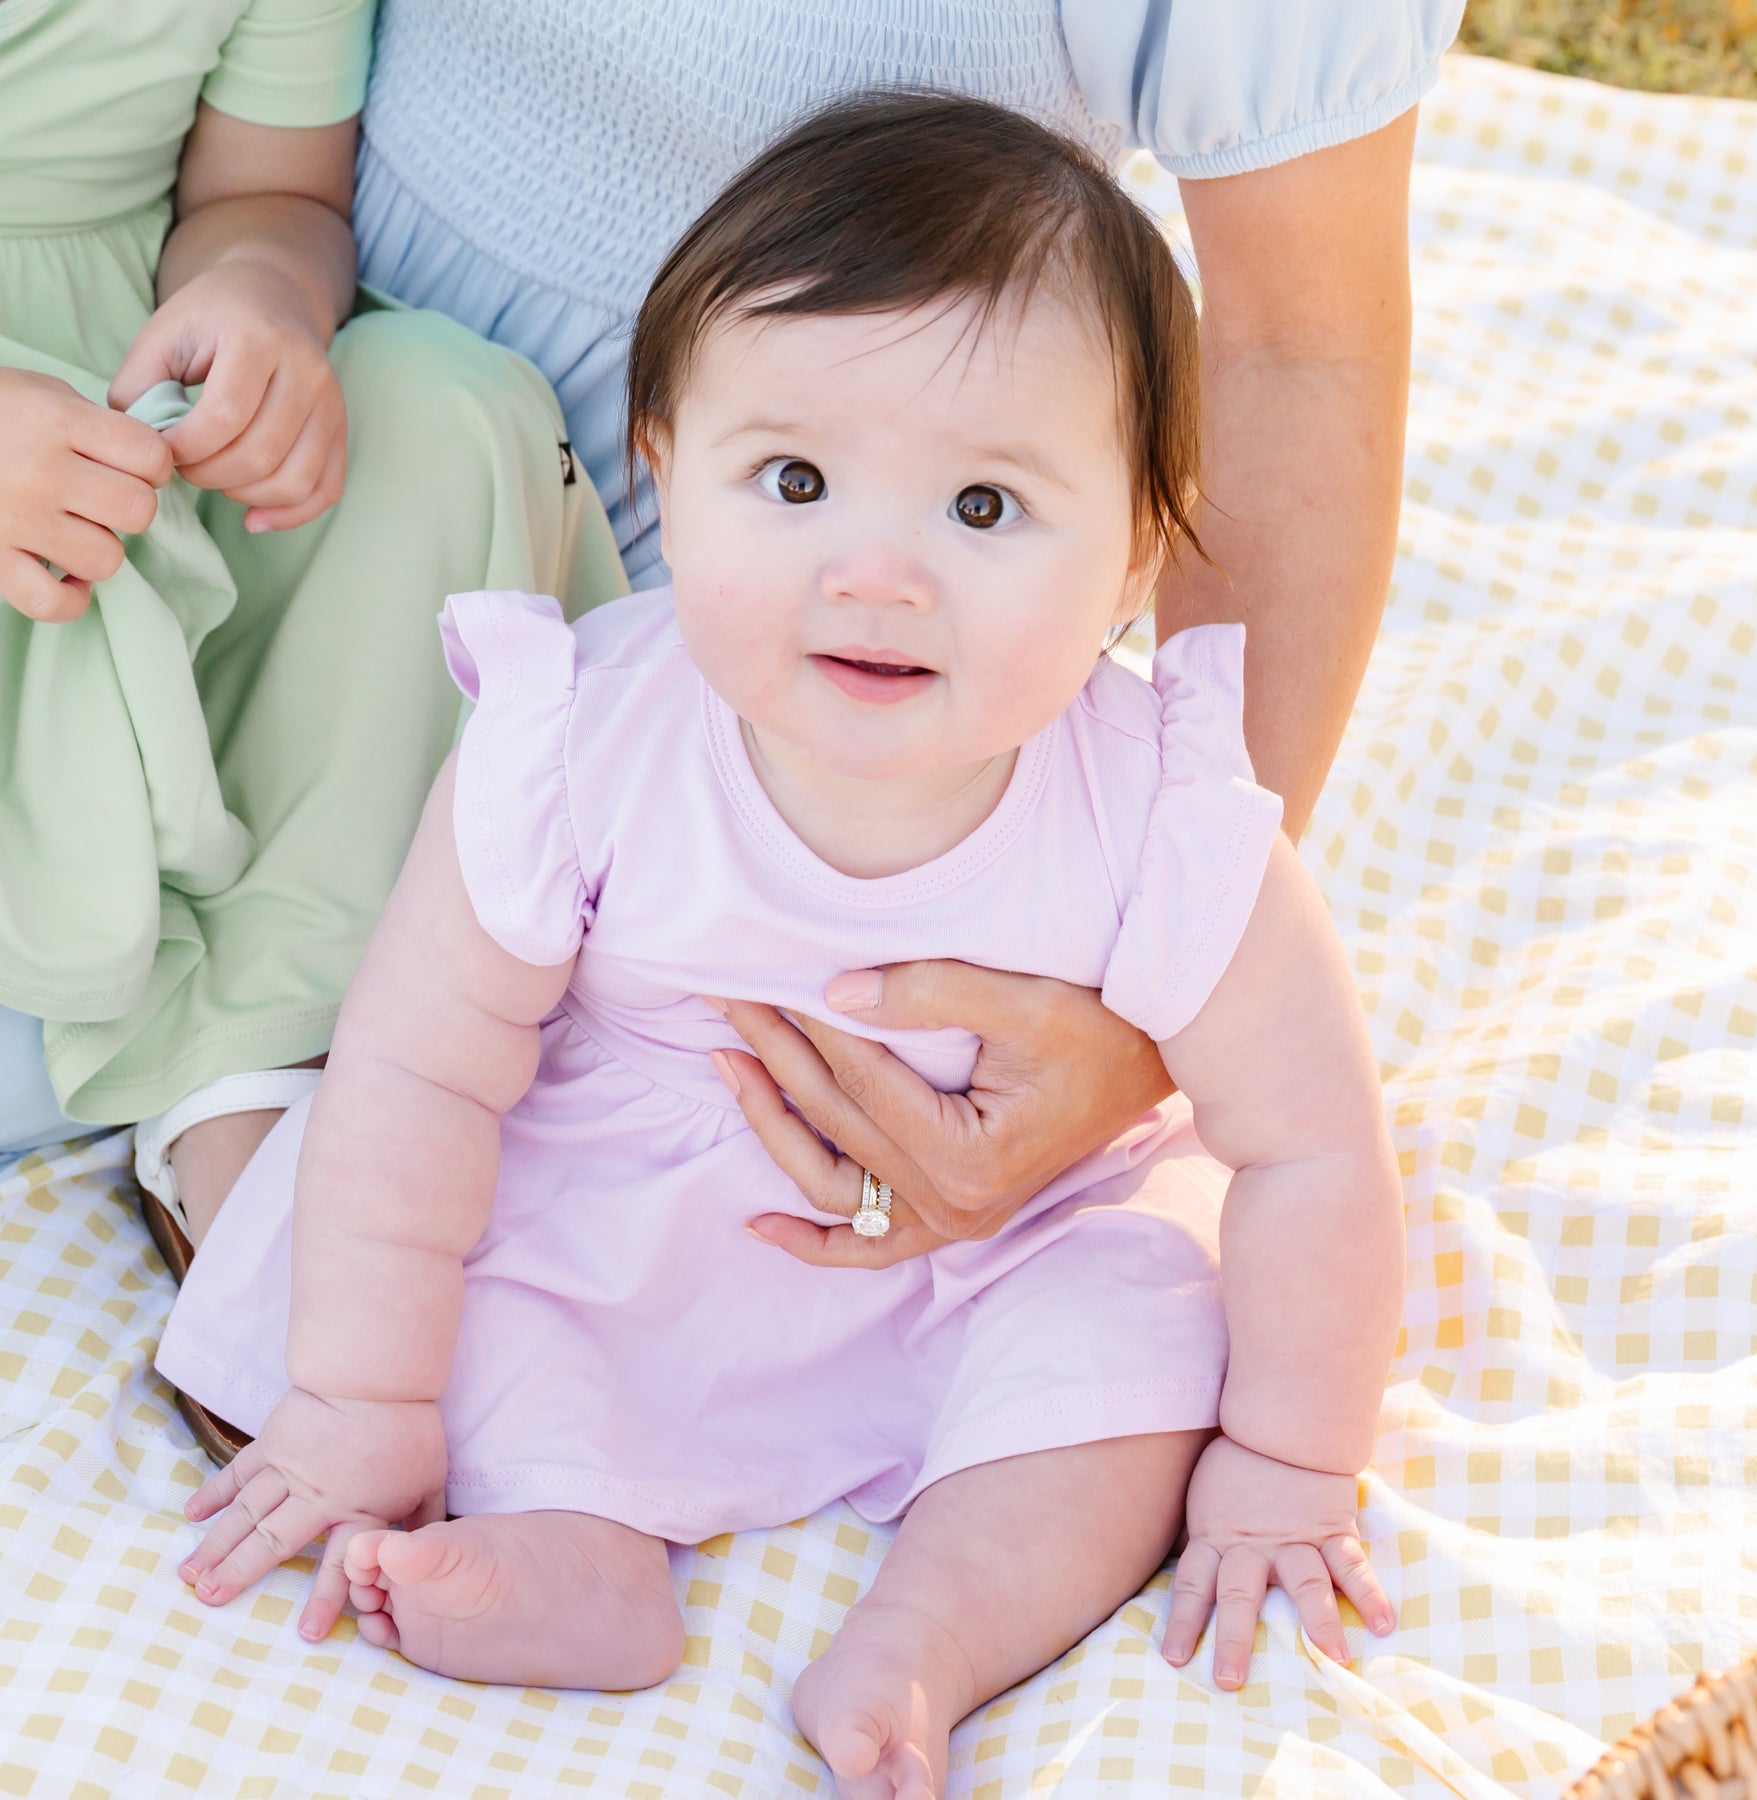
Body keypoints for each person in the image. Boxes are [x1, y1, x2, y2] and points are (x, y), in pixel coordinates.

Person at [158, 97, 1406, 1799]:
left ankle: (931, 1636)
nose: (878, 574)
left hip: (1012, 1232)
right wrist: (362, 1400)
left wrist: (1288, 1461)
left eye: (985, 508)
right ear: (666, 466)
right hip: (634, 1204)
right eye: (798, 482)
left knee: (1151, 1336)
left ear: (1135, 552)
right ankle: (579, 1551)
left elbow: (1316, 1148)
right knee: (433, 1274)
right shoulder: (587, 734)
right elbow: (423, 1068)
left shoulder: (1162, 808)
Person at [345, 0, 1458, 1305]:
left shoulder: (845, 600)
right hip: (337, 437)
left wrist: (1162, 977)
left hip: (776, 629)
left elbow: (1297, 340)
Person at [0, 0, 624, 1227]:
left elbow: (264, 192)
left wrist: (261, 294)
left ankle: (253, 1048)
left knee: (440, 411)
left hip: (126, 406)